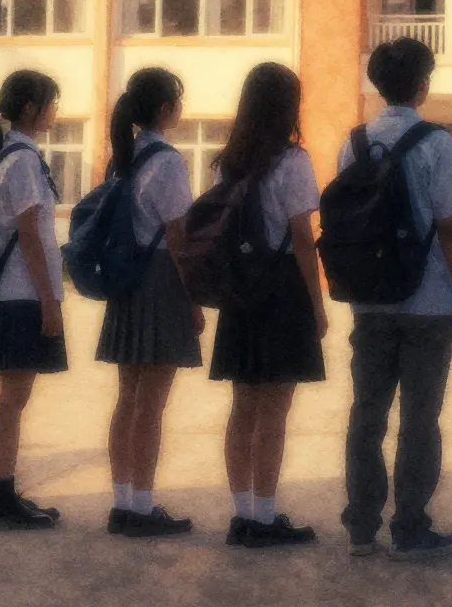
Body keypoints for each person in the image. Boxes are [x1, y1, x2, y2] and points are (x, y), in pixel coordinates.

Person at [337, 38, 452, 560]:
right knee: (420, 417)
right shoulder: (436, 143)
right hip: (427, 299)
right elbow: (451, 228)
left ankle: (361, 525)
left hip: (369, 300)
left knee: (366, 413)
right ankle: (410, 526)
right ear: (423, 85)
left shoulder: (353, 143)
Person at [206, 62, 327, 547]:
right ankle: (265, 514)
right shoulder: (292, 161)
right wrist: (317, 304)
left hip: (240, 292)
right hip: (282, 291)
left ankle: (241, 515)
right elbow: (302, 238)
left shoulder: (226, 162)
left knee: (242, 408)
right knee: (274, 412)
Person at [97, 67, 204, 539]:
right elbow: (179, 237)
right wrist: (194, 297)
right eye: (178, 100)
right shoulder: (168, 161)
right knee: (152, 403)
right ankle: (142, 506)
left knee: (128, 398)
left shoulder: (122, 157)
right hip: (162, 280)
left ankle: (123, 502)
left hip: (128, 280)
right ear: (165, 109)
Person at [0, 69, 67, 531]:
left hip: (9, 296)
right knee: (12, 399)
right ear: (31, 108)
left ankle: (3, 495)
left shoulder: (9, 157)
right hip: (21, 297)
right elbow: (30, 235)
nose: (55, 111)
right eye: (52, 102)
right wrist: (49, 301)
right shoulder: (23, 161)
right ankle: (1, 500)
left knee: (7, 399)